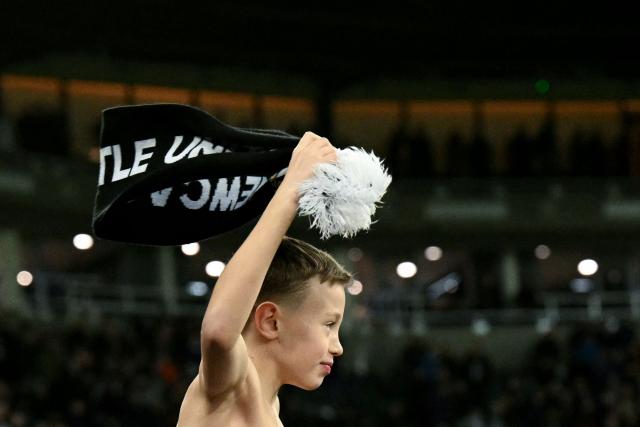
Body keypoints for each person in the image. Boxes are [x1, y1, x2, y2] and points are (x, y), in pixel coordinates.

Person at [176, 132, 353, 426]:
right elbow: (219, 331)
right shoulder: (233, 385)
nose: (338, 347)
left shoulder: (270, 408)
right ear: (271, 321)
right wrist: (293, 187)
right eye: (329, 325)